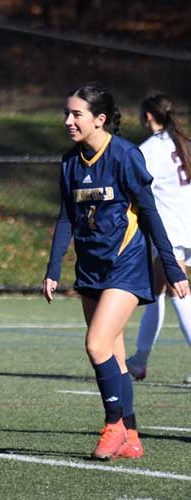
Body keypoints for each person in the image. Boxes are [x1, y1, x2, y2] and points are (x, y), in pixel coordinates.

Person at [43, 83, 189, 460]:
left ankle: (113, 427)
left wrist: (172, 268)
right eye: (67, 113)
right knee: (115, 358)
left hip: (125, 265)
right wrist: (53, 266)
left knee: (95, 345)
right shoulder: (69, 162)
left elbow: (151, 214)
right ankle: (132, 437)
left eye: (76, 114)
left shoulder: (124, 156)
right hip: (90, 267)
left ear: (100, 119)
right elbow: (65, 218)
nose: (68, 121)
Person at [125, 93, 191, 382]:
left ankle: (139, 361)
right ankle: (139, 361)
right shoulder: (182, 142)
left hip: (172, 230)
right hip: (184, 225)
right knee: (156, 291)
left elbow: (132, 187)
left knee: (180, 292)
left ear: (148, 116)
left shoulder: (150, 149)